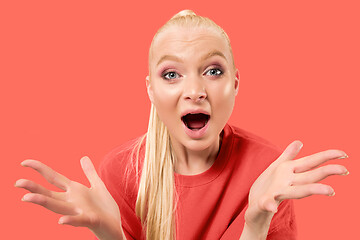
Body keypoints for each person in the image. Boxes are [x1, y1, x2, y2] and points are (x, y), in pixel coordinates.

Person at [15, 10, 349, 240]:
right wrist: (111, 234)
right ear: (150, 89)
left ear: (235, 83)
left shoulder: (268, 172)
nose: (195, 92)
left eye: (213, 71)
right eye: (172, 74)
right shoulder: (121, 172)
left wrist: (256, 222)